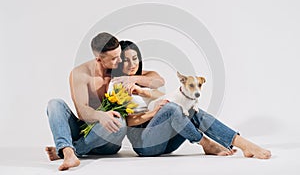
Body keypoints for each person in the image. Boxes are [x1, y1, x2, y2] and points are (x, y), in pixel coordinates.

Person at [111, 40, 271, 159]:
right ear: (119, 62)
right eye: (126, 60)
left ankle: (243, 144)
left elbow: (162, 94)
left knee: (189, 108)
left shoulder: (141, 78)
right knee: (174, 108)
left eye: (135, 58)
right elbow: (125, 122)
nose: (132, 64)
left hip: (166, 142)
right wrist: (153, 113)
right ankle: (206, 143)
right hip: (144, 145)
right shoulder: (115, 85)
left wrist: (141, 90)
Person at [45, 33, 165, 171]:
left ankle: (69, 150)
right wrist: (100, 116)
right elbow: (82, 111)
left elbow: (158, 81)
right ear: (99, 59)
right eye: (114, 58)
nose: (120, 60)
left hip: (109, 141)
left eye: (119, 55)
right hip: (85, 129)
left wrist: (133, 79)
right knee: (54, 104)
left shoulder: (120, 69)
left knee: (119, 121)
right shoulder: (80, 74)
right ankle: (68, 152)